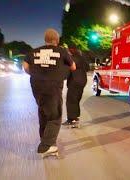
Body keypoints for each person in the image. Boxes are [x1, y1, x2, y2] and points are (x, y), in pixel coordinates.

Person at [23, 28, 76, 156]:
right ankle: (45, 147)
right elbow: (73, 67)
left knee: (43, 111)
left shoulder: (34, 52)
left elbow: (25, 66)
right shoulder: (62, 51)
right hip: (53, 86)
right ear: (56, 40)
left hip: (36, 86)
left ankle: (45, 139)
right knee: (54, 115)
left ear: (45, 40)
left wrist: (36, 74)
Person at [62, 48, 89, 127]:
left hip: (74, 81)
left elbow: (67, 71)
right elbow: (87, 68)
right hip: (83, 81)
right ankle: (76, 117)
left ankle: (71, 119)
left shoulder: (71, 59)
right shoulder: (82, 58)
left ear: (70, 52)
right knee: (76, 99)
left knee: (70, 100)